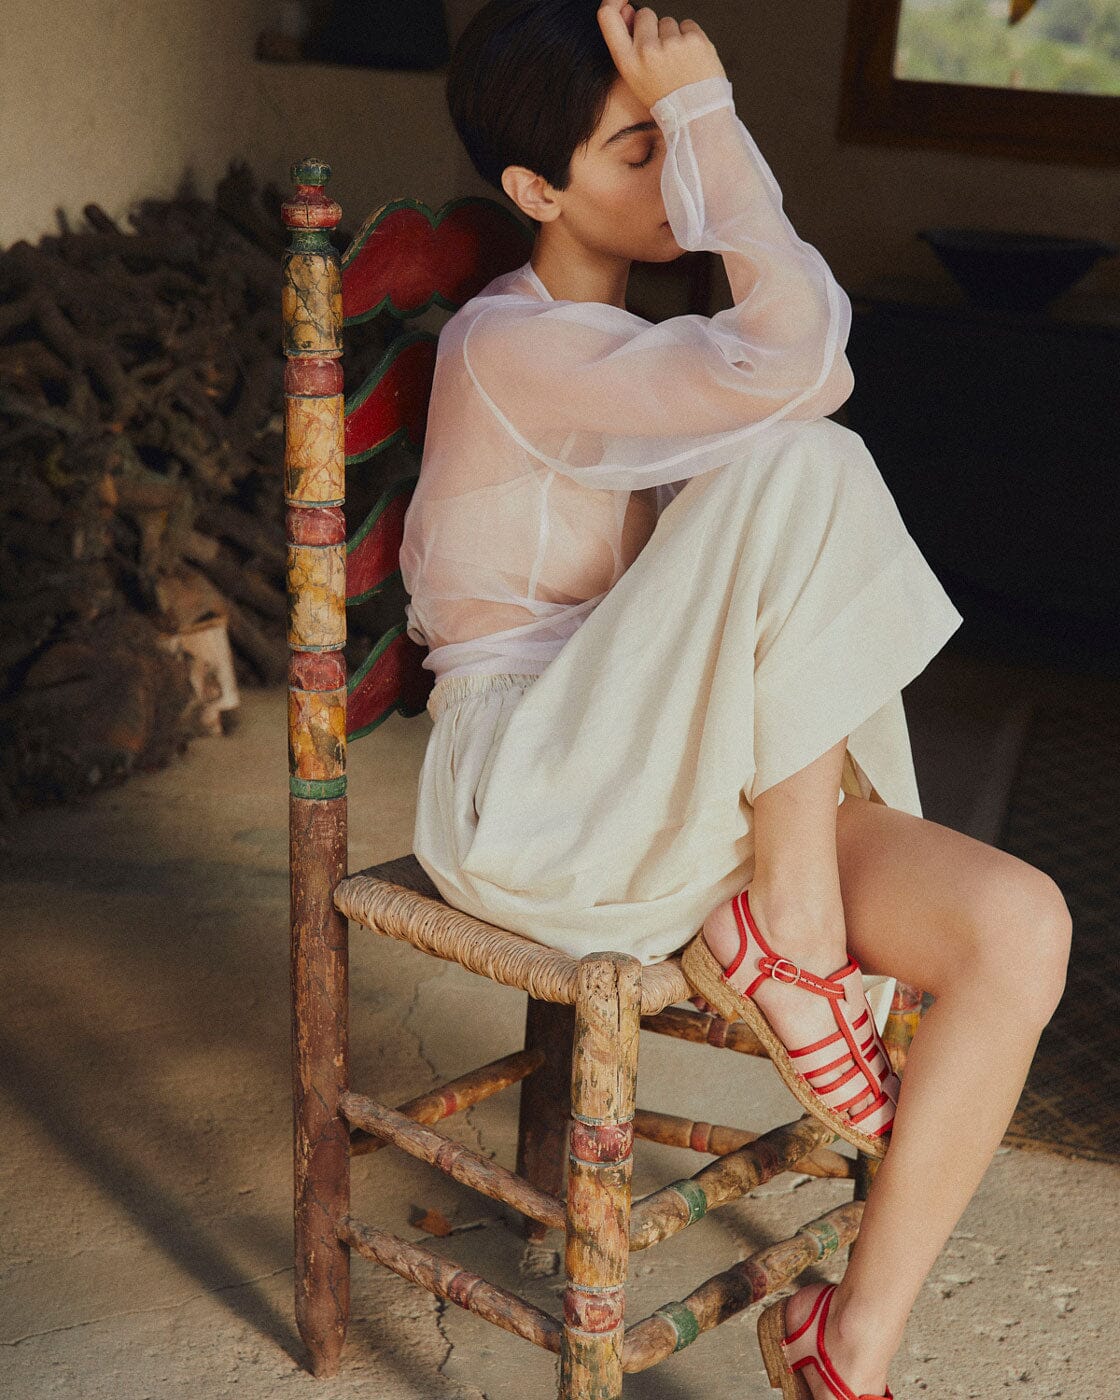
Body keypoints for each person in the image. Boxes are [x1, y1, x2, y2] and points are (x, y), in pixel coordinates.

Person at [398, 4, 1073, 1395]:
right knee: (803, 460)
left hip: (668, 780)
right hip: (534, 799)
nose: (679, 179)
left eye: (679, 144)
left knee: (1020, 927)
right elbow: (803, 373)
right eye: (639, 149)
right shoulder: (506, 344)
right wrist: (708, 107)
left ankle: (850, 1339)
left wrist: (693, 121)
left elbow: (805, 362)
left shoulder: (646, 355)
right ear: (536, 190)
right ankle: (794, 926)